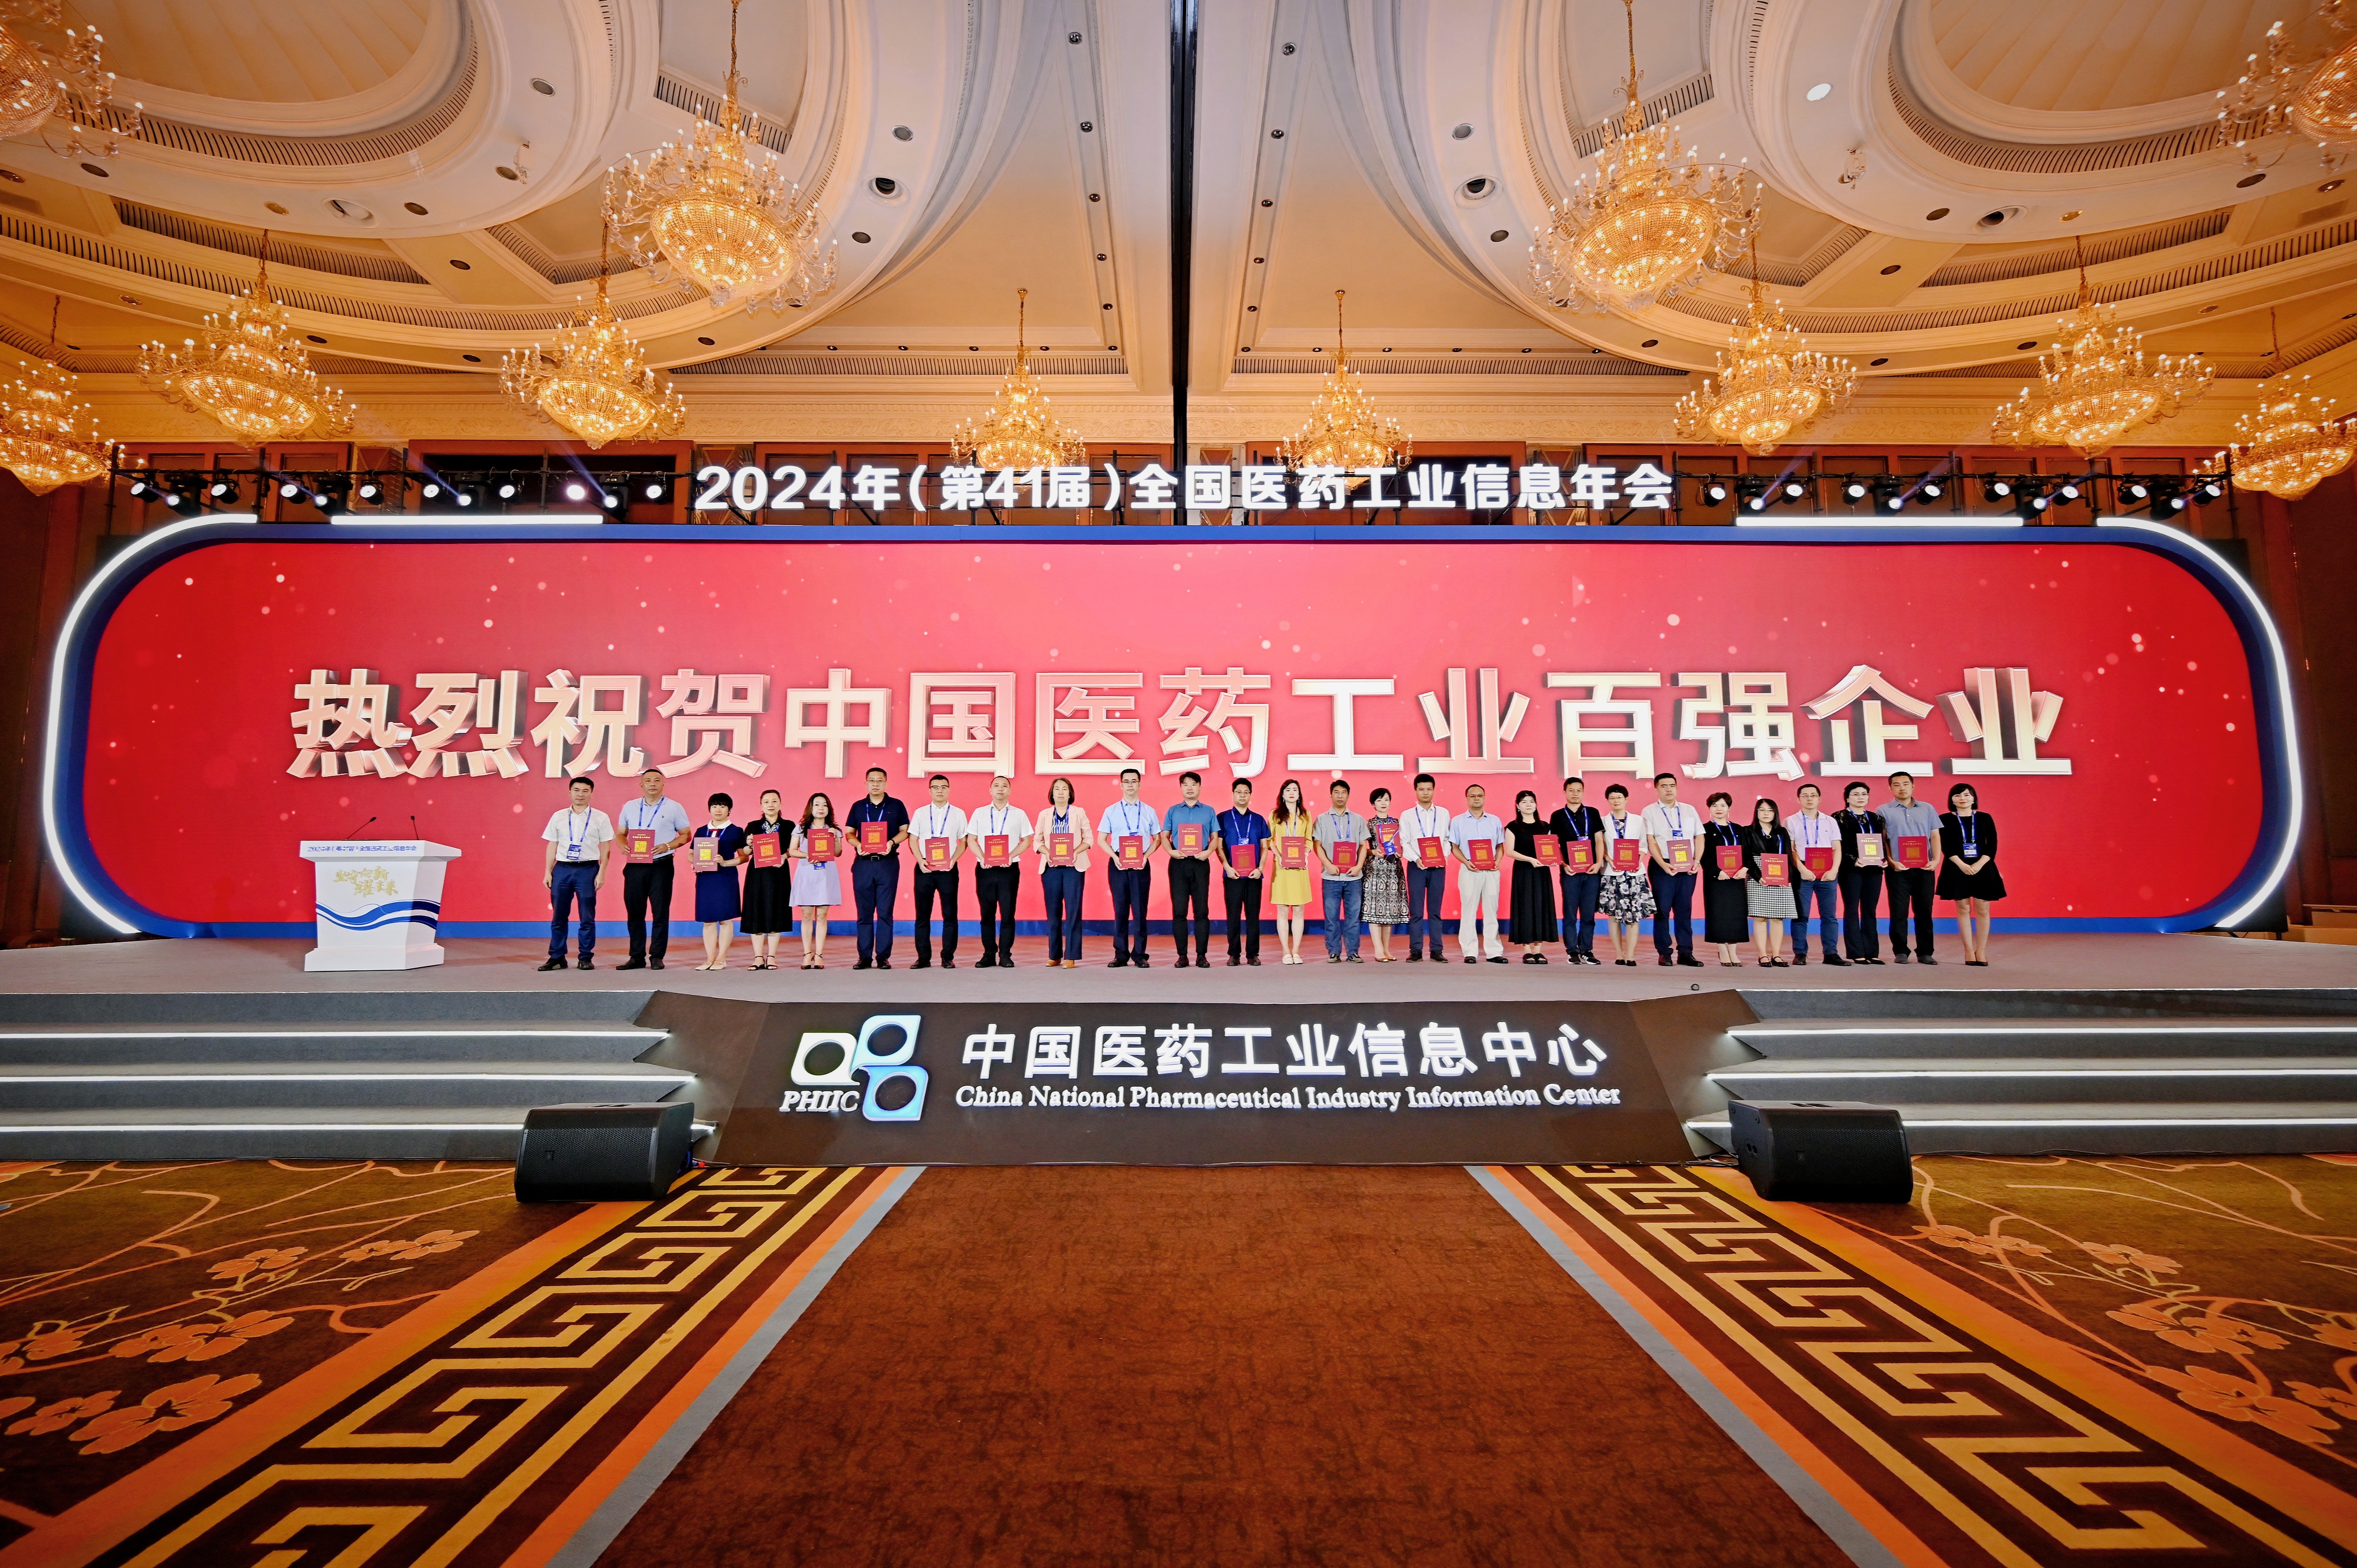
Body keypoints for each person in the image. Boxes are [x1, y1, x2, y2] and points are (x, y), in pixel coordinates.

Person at [617, 768, 692, 970]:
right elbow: (621, 833)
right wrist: (622, 844)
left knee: (660, 913)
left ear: (663, 784)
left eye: (657, 780)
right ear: (641, 785)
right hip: (635, 866)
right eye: (648, 780)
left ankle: (657, 956)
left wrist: (668, 846)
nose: (652, 784)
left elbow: (686, 835)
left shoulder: (674, 807)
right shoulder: (630, 807)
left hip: (661, 866)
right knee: (635, 913)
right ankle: (636, 957)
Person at [540, 775, 612, 973]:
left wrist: (602, 873)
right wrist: (548, 872)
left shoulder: (601, 817)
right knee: (559, 916)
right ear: (570, 792)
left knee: (587, 916)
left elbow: (606, 848)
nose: (581, 794)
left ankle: (586, 957)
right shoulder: (559, 816)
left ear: (591, 794)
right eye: (577, 790)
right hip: (562, 869)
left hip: (588, 870)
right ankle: (557, 957)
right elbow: (552, 845)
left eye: (585, 791)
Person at [845, 767, 910, 970]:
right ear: (866, 783)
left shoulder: (896, 805)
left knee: (885, 912)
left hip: (887, 864)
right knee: (864, 913)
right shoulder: (858, 807)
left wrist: (891, 842)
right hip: (863, 864)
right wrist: (858, 844)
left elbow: (905, 831)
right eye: (872, 780)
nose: (876, 784)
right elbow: (849, 833)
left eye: (880, 781)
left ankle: (883, 957)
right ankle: (864, 957)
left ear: (886, 783)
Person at [1099, 768, 1163, 968]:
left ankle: (1140, 954)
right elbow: (1102, 839)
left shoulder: (1149, 811)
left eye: (1134, 781)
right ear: (1121, 785)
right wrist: (1114, 857)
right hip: (1118, 863)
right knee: (1120, 910)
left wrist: (1146, 856)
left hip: (1141, 864)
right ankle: (1121, 954)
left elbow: (1158, 839)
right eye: (1126, 782)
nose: (1130, 785)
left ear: (1140, 785)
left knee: (1140, 911)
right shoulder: (1111, 811)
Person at [1879, 770, 1944, 966]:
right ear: (1890, 788)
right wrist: (1891, 861)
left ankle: (1925, 952)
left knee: (1924, 911)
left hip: (1925, 868)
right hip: (1898, 869)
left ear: (1913, 786)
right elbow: (1883, 840)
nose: (1902, 788)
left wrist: (1936, 859)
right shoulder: (1883, 811)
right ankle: (1901, 951)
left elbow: (1935, 836)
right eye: (1897, 785)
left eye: (1906, 784)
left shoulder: (1927, 808)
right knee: (1899, 912)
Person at [1937, 783, 2005, 966]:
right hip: (1956, 867)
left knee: (1983, 909)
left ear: (1974, 798)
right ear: (1952, 800)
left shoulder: (1985, 818)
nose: (1963, 799)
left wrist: (1979, 864)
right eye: (1958, 795)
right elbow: (1946, 846)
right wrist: (1961, 864)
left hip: (1983, 867)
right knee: (1963, 908)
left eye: (1967, 795)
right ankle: (1968, 950)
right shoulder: (1944, 819)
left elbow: (1992, 844)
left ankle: (1981, 950)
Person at [966, 775, 1031, 969]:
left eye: (1004, 786)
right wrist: (982, 857)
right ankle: (988, 954)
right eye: (996, 786)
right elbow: (971, 839)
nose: (1000, 789)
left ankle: (1005, 955)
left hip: (1009, 870)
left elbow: (1026, 841)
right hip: (985, 870)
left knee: (1008, 913)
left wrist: (1011, 855)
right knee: (987, 914)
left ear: (1010, 791)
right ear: (990, 790)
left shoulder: (1019, 814)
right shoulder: (979, 813)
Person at [1643, 772, 1705, 969]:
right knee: (1662, 910)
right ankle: (1664, 952)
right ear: (1656, 790)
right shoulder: (1649, 811)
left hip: (1687, 866)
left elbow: (1700, 836)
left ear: (1677, 788)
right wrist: (1663, 864)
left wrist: (1697, 861)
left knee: (1684, 909)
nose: (1668, 789)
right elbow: (1651, 840)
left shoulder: (1689, 810)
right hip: (1663, 866)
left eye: (1672, 786)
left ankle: (1686, 952)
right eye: (1664, 786)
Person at [910, 774, 968, 970]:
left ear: (949, 790)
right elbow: (913, 840)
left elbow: (964, 841)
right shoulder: (920, 813)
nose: (940, 791)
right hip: (924, 869)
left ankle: (947, 957)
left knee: (950, 915)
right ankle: (923, 958)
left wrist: (953, 860)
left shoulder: (959, 813)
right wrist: (920, 860)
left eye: (943, 787)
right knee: (922, 915)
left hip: (948, 870)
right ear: (930, 791)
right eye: (936, 787)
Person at [1163, 771, 1221, 969]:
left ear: (1200, 788)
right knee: (1179, 912)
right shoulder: (1173, 811)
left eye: (1194, 784)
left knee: (1202, 911)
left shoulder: (1209, 811)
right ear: (1181, 788)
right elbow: (1165, 836)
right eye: (1186, 784)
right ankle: (1182, 956)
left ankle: (1202, 956)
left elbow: (1215, 838)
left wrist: (1208, 852)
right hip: (1178, 864)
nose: (1190, 788)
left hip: (1200, 863)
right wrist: (1171, 851)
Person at [1788, 782, 1848, 967]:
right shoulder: (1790, 821)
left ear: (1819, 799)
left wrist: (1834, 870)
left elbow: (1837, 848)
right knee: (1801, 915)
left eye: (1813, 795)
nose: (1809, 799)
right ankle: (1800, 953)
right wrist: (1802, 869)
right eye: (1805, 795)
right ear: (1799, 799)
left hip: (1828, 872)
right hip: (1803, 870)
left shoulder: (1830, 821)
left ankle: (1831, 954)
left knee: (1829, 916)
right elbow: (1791, 850)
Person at [1313, 778, 1371, 963]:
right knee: (1331, 917)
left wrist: (1359, 866)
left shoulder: (1358, 819)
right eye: (1336, 792)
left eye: (1344, 793)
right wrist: (1328, 865)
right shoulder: (1322, 819)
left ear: (1348, 796)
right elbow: (1317, 845)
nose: (1340, 796)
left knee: (1353, 918)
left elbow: (1363, 846)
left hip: (1354, 877)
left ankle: (1353, 952)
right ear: (1330, 795)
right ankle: (1334, 952)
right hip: (1331, 877)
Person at [1550, 775, 1605, 966]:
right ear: (1565, 792)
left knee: (1589, 914)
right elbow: (1554, 844)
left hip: (1592, 872)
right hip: (1570, 873)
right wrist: (1564, 864)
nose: (1575, 794)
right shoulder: (1557, 816)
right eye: (1571, 790)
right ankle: (1572, 951)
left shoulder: (1593, 813)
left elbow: (1599, 840)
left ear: (1583, 792)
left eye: (1579, 790)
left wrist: (1599, 863)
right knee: (1570, 914)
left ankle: (1587, 950)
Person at [1450, 783, 1507, 964]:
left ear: (1484, 798)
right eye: (1473, 796)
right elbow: (1454, 847)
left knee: (1491, 911)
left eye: (1480, 796)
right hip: (1469, 870)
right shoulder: (1458, 821)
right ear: (1467, 799)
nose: (1477, 799)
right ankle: (1470, 951)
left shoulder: (1494, 821)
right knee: (1469, 911)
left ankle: (1494, 952)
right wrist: (1466, 862)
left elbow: (1500, 846)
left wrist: (1498, 861)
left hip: (1491, 871)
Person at [1038, 777, 1092, 969]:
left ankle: (1071, 956)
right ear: (1052, 794)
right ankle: (1055, 955)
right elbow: (1037, 841)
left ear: (1070, 794)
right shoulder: (1044, 814)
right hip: (1051, 868)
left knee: (1073, 912)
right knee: (1053, 913)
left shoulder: (1079, 813)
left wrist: (1076, 851)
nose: (1061, 792)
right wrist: (1047, 852)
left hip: (1074, 868)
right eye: (1057, 789)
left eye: (1064, 789)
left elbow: (1089, 838)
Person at [1218, 777, 1271, 966]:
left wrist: (1260, 869)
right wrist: (1227, 867)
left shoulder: (1258, 819)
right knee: (1233, 915)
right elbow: (1219, 846)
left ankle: (1253, 954)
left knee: (1253, 916)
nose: (1242, 796)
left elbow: (1265, 847)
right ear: (1233, 794)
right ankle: (1234, 954)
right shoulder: (1223, 818)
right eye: (1239, 792)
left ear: (1250, 795)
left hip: (1254, 875)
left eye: (1246, 792)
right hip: (1232, 875)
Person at [739, 787, 794, 971]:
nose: (771, 805)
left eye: (774, 801)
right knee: (756, 913)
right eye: (767, 802)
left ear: (781, 804)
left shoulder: (789, 826)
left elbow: (793, 849)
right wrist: (749, 844)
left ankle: (771, 957)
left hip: (779, 874)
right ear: (761, 806)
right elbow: (745, 852)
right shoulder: (753, 826)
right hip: (757, 874)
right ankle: (757, 957)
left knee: (776, 912)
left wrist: (784, 857)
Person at [691, 792, 747, 970]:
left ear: (729, 810)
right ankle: (709, 959)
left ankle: (721, 958)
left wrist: (725, 863)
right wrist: (695, 863)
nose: (718, 810)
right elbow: (691, 854)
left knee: (725, 920)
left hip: (725, 878)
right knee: (708, 921)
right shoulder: (701, 831)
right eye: (715, 806)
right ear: (709, 809)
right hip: (705, 879)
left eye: (722, 806)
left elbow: (744, 857)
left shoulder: (736, 831)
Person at [1400, 773, 1452, 963]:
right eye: (1421, 789)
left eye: (1429, 789)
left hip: (1438, 867)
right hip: (1417, 867)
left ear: (1433, 791)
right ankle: (1416, 950)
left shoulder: (1444, 813)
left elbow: (1447, 839)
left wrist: (1443, 856)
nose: (1425, 793)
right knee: (1416, 911)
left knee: (1435, 910)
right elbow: (1405, 842)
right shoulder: (1407, 815)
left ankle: (1437, 950)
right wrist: (1417, 858)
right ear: (1416, 791)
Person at [1598, 784, 1652, 965]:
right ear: (1608, 801)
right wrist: (1608, 859)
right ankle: (1619, 955)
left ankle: (1631, 955)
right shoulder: (1602, 821)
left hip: (1634, 874)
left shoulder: (1638, 820)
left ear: (1626, 799)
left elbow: (1643, 844)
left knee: (1633, 915)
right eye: (1612, 798)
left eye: (1619, 797)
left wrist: (1638, 859)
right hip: (1612, 873)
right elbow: (1600, 846)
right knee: (1613, 916)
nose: (1616, 801)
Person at [1503, 789, 1559, 963]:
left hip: (1542, 872)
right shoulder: (1513, 827)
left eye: (1532, 801)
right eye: (1524, 802)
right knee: (1525, 907)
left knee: (1542, 907)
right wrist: (1530, 860)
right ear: (1518, 806)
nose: (1528, 805)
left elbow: (1550, 850)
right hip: (1523, 872)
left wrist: (1553, 860)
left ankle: (1539, 950)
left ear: (1536, 805)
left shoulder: (1545, 827)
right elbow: (1510, 851)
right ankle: (1527, 950)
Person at [1835, 782, 1887, 965]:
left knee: (1870, 910)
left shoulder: (1877, 818)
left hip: (1874, 869)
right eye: (1856, 794)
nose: (1860, 797)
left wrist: (1884, 859)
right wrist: (1852, 860)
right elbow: (1838, 845)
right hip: (1851, 869)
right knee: (1851, 908)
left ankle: (1872, 952)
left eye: (1864, 794)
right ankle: (1856, 952)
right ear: (1847, 798)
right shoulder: (1839, 817)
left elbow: (1881, 843)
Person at [789, 792, 842, 969]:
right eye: (817, 805)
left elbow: (838, 853)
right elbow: (792, 851)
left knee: (822, 916)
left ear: (829, 809)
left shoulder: (834, 829)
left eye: (825, 805)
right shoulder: (801, 828)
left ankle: (819, 954)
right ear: (811, 808)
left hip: (826, 875)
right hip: (807, 873)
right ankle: (807, 954)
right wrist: (808, 855)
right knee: (806, 915)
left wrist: (835, 838)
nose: (821, 808)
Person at [1742, 796, 1796, 968]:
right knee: (1760, 917)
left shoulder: (1782, 832)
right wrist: (1758, 876)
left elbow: (1789, 856)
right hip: (1757, 875)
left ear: (1775, 813)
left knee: (1778, 918)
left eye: (1770, 810)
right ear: (1756, 812)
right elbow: (1746, 857)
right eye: (1762, 810)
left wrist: (1789, 878)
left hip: (1780, 875)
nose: (1766, 813)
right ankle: (1763, 955)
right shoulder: (1748, 831)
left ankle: (1777, 955)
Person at [1268, 779, 1315, 964]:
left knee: (1299, 909)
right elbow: (1270, 840)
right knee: (1282, 909)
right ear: (1282, 794)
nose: (1292, 793)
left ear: (1299, 794)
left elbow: (1309, 840)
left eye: (1295, 790)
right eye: (1288, 790)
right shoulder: (1275, 815)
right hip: (1282, 867)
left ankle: (1296, 951)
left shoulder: (1306, 815)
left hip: (1300, 867)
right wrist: (1279, 856)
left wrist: (1306, 854)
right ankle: (1286, 952)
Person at [1702, 790, 1748, 967]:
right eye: (1715, 805)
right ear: (1710, 808)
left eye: (1723, 805)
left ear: (1729, 808)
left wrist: (1745, 869)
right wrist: (1716, 872)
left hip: (1737, 878)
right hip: (1716, 879)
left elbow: (1747, 851)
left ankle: (1734, 951)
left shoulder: (1739, 829)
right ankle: (1722, 949)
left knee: (1736, 913)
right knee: (1718, 913)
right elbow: (1704, 855)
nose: (1719, 809)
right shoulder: (1705, 829)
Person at [1362, 787, 1407, 962]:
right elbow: (1361, 848)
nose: (1383, 803)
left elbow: (1403, 844)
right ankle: (1378, 950)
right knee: (1375, 910)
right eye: (1379, 800)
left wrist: (1401, 852)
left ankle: (1387, 950)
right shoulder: (1368, 824)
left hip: (1393, 869)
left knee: (1389, 911)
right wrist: (1374, 852)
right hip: (1375, 870)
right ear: (1373, 804)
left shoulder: (1397, 823)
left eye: (1386, 800)